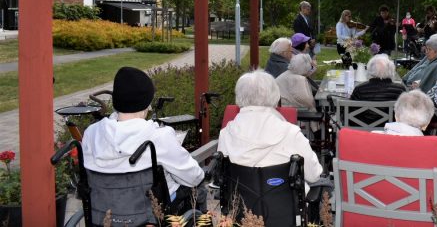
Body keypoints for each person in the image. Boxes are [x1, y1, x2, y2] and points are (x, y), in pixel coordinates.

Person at [82, 67, 207, 213]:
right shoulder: (158, 136)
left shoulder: (92, 133)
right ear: (147, 103)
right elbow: (193, 176)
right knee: (198, 187)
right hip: (150, 214)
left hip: (104, 212)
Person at [218, 70, 323, 187]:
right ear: (275, 96)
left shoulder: (226, 134)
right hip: (284, 203)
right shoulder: (291, 133)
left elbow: (221, 175)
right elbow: (313, 175)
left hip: (238, 203)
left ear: (239, 96)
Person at [380, 90, 437, 203]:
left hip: (370, 214)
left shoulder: (369, 141)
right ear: (426, 124)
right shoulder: (435, 153)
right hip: (417, 218)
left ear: (396, 116)